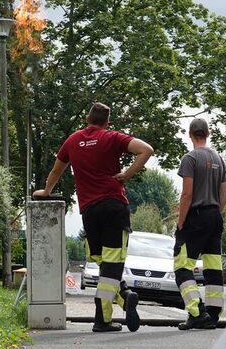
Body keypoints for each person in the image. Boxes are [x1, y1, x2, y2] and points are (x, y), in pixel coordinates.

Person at [33, 102, 154, 332]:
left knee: (102, 262)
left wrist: (46, 192)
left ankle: (123, 297)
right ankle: (104, 318)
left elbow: (57, 170)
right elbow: (146, 149)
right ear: (106, 122)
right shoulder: (112, 138)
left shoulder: (73, 140)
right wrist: (126, 174)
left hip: (89, 210)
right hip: (114, 207)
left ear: (87, 119)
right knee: (112, 264)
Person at [173, 118, 226, 330]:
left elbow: (187, 193)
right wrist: (214, 213)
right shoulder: (218, 159)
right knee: (213, 266)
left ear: (189, 134)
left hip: (195, 216)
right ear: (208, 133)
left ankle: (196, 312)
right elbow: (225, 197)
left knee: (182, 267)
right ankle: (213, 314)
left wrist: (181, 221)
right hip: (215, 216)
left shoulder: (190, 158)